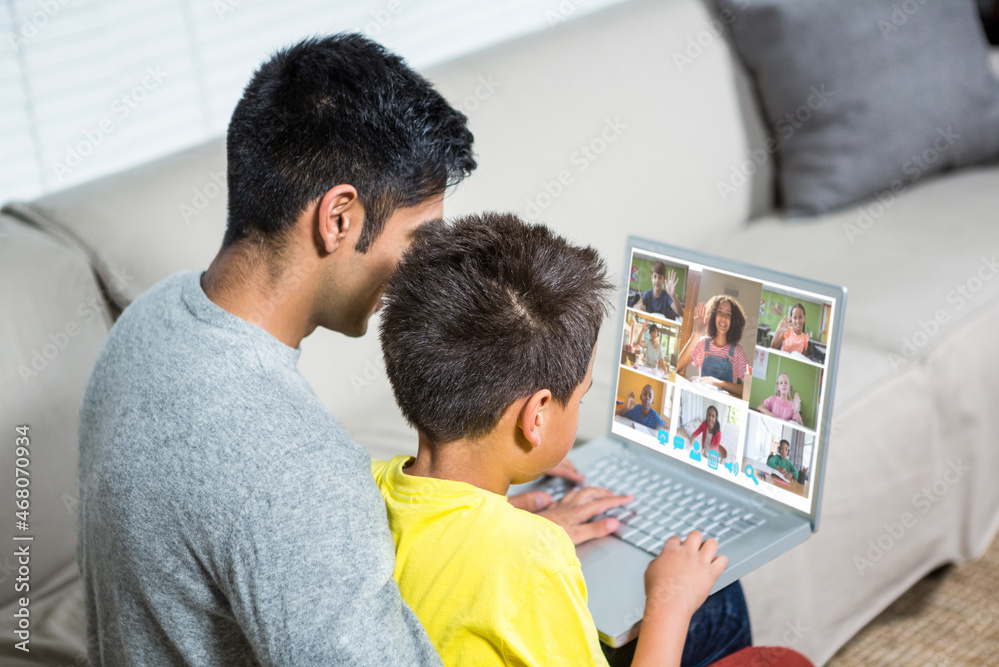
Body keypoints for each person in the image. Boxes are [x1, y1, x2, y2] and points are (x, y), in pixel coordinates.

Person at [76, 35, 616, 665]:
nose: (427, 267)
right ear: (338, 218)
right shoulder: (296, 470)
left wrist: (488, 544)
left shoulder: (150, 319)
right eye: (420, 236)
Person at [373, 213, 749, 666]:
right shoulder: (534, 562)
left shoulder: (370, 487)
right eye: (581, 397)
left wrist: (508, 525)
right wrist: (669, 602)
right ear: (535, 418)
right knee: (722, 602)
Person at [677, 295, 749, 398]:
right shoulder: (702, 343)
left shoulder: (738, 351)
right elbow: (677, 368)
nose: (723, 317)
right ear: (713, 315)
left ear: (733, 320)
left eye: (728, 314)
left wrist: (720, 383)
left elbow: (747, 390)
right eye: (720, 312)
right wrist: (696, 334)